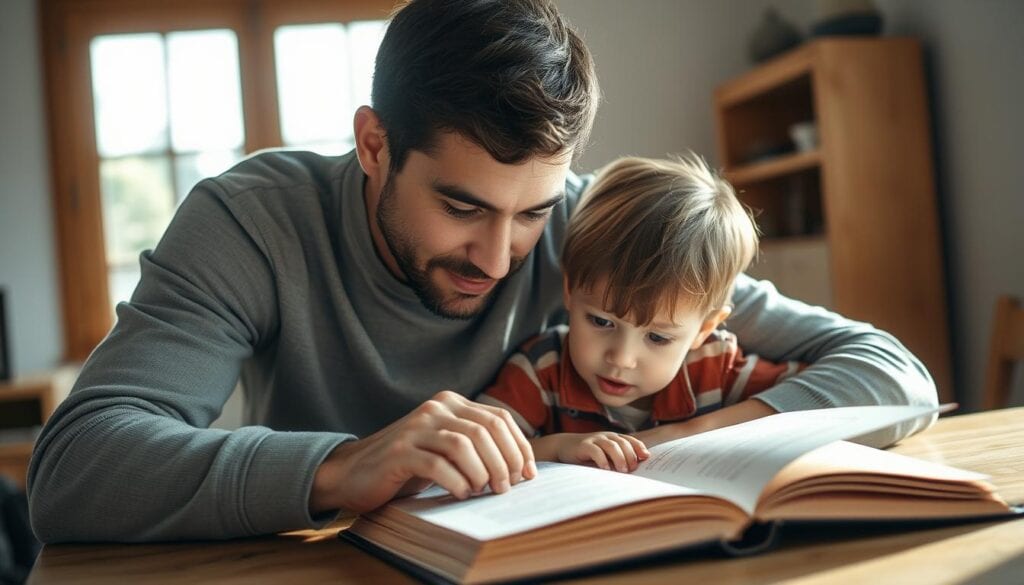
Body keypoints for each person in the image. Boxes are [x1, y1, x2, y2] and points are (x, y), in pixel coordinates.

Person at [28, 0, 937, 544]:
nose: (501, 258)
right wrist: (343, 465)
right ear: (374, 145)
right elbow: (74, 468)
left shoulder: (590, 228)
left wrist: (686, 441)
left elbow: (893, 372)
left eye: (531, 212)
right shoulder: (250, 223)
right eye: (462, 206)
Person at [477, 155, 804, 472]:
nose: (622, 359)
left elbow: (810, 397)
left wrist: (694, 432)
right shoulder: (540, 369)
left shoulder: (714, 366)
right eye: (602, 321)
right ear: (570, 290)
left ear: (705, 329)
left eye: (658, 337)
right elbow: (478, 450)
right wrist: (557, 447)